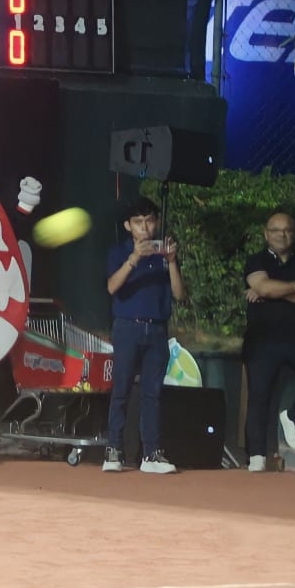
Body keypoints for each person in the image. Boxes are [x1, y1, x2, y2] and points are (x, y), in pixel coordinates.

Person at [102, 198, 184, 474]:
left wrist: (172, 262)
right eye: (138, 222)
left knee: (153, 393)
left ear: (156, 223)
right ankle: (114, 449)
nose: (145, 227)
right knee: (121, 390)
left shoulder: (164, 254)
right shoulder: (119, 251)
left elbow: (179, 294)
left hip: (157, 329)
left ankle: (151, 453)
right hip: (128, 327)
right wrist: (134, 259)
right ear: (128, 226)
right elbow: (112, 287)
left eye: (149, 221)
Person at [241, 211, 295, 471]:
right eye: (276, 230)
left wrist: (270, 291)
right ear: (266, 234)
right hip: (262, 338)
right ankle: (257, 456)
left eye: (287, 230)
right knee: (259, 396)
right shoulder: (256, 260)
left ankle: (293, 416)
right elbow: (264, 286)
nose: (282, 235)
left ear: (293, 233)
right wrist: (293, 287)